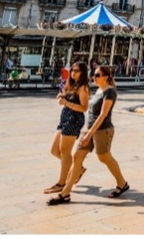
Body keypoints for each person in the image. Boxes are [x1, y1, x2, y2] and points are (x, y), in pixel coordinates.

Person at [48, 65, 129, 205]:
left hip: (102, 130)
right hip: (89, 129)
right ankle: (65, 194)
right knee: (76, 157)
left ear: (106, 77)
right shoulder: (98, 90)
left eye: (97, 75)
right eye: (93, 74)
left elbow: (103, 115)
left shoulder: (110, 91)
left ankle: (122, 183)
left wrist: (89, 134)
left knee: (104, 157)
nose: (94, 77)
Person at [44, 63, 90, 194]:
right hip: (64, 118)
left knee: (65, 152)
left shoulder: (83, 88)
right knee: (54, 150)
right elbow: (67, 97)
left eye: (77, 71)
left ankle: (61, 183)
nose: (73, 73)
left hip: (74, 119)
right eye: (72, 70)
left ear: (83, 73)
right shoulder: (72, 84)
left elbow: (84, 108)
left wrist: (66, 103)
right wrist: (62, 96)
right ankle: (78, 169)